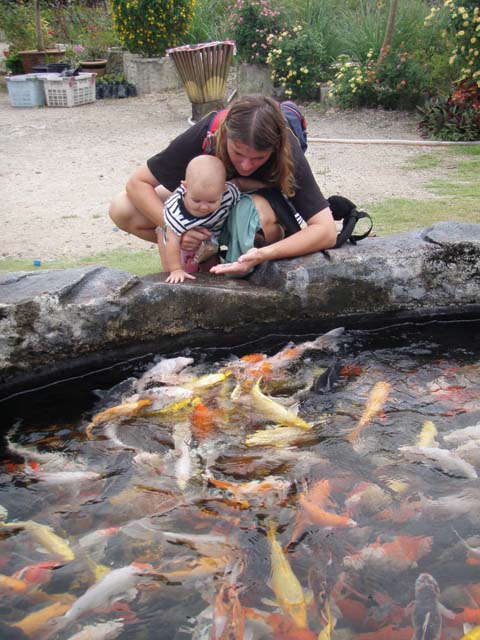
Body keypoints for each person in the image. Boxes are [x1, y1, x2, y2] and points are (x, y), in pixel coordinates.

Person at [109, 94, 337, 277]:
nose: (246, 166)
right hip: (212, 210)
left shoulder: (287, 150)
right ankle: (199, 251)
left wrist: (264, 254)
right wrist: (176, 228)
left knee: (247, 213)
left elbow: (326, 231)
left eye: (258, 158)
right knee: (123, 208)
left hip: (258, 216)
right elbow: (137, 183)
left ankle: (241, 263)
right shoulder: (209, 131)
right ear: (226, 135)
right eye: (237, 153)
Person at [159, 155, 283, 283]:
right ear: (185, 186)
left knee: (212, 271)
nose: (203, 207)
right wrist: (176, 269)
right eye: (196, 200)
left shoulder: (228, 195)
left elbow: (240, 184)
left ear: (224, 190)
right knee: (183, 271)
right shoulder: (176, 212)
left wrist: (268, 186)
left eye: (211, 201)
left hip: (211, 240)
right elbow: (171, 242)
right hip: (181, 243)